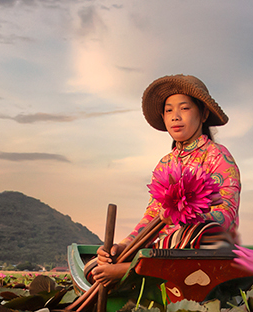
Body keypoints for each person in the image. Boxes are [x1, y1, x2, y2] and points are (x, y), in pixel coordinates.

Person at [91, 74, 241, 286]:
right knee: (96, 265)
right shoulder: (165, 164)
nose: (175, 116)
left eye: (184, 108)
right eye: (169, 110)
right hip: (163, 250)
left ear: (204, 113)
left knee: (198, 234)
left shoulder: (218, 157)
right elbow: (152, 216)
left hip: (203, 250)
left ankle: (134, 270)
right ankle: (134, 265)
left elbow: (225, 216)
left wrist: (183, 218)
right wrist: (124, 246)